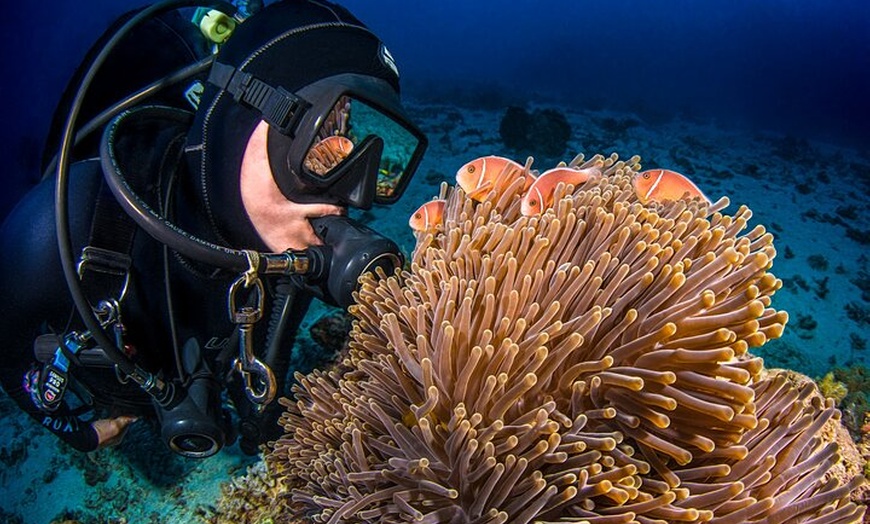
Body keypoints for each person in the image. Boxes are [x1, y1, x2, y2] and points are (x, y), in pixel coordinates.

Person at [0, 0, 427, 457]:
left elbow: (267, 374)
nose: (353, 197)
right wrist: (82, 434)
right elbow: (5, 350)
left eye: (374, 164)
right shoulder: (60, 226)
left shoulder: (288, 245)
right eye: (318, 145)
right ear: (238, 119)